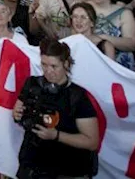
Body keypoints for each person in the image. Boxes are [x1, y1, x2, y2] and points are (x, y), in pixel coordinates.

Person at [12, 39, 99, 179]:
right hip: (32, 166)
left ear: (66, 64)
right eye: (44, 65)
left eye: (54, 66)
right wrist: (17, 114)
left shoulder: (77, 96)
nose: (48, 71)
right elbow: (19, 112)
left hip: (67, 170)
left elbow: (92, 142)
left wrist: (56, 136)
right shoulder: (32, 84)